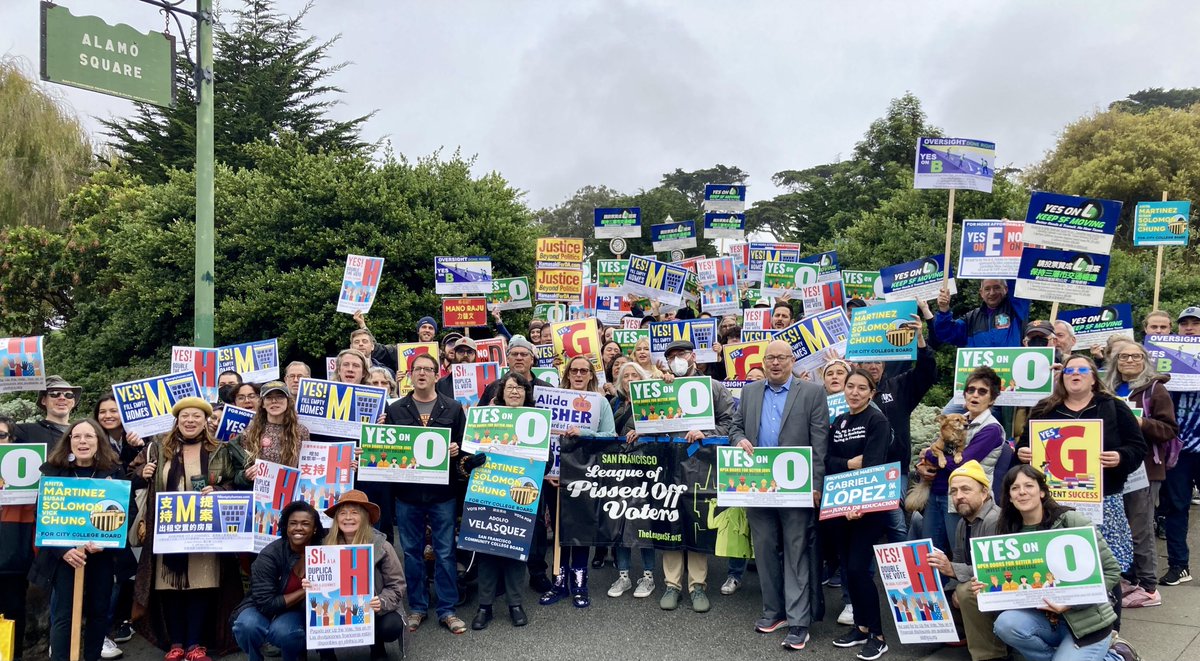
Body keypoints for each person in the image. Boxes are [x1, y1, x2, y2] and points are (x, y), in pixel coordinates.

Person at [131, 397, 248, 661]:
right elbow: (131, 474)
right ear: (177, 420)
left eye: (196, 416)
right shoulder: (158, 448)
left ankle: (195, 645)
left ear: (205, 420)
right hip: (167, 529)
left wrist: (219, 489)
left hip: (204, 529)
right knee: (168, 587)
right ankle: (176, 643)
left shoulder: (220, 449)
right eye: (185, 416)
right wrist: (143, 473)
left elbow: (235, 480)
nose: (190, 421)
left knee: (202, 585)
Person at [730, 339, 828, 652]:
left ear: (791, 361)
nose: (775, 363)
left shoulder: (812, 392)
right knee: (764, 551)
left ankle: (799, 621)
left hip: (795, 488)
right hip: (757, 486)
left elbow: (819, 443)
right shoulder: (750, 391)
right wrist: (739, 439)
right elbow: (734, 426)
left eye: (781, 358)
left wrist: (816, 485)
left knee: (796, 550)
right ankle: (774, 612)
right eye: (770, 358)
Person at [1016, 355, 1147, 586]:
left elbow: (1137, 447)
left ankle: (1109, 619)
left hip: (1103, 500)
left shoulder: (1114, 407)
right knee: (1059, 564)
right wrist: (1023, 453)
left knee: (1105, 567)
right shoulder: (1044, 410)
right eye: (1069, 370)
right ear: (1062, 378)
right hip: (1055, 502)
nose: (1075, 374)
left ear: (1094, 379)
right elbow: (1023, 446)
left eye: (1082, 370)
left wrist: (1120, 456)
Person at [985, 465, 1137, 661]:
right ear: (1009, 497)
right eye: (1014, 488)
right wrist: (987, 586)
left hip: (1086, 622)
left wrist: (1071, 603)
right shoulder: (1009, 531)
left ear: (1041, 492)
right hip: (1046, 621)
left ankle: (1118, 657)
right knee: (1005, 624)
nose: (1022, 492)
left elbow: (1111, 570)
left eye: (1029, 486)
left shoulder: (1071, 520)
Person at [628, 340, 734, 614]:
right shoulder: (661, 387)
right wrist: (643, 429)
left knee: (696, 521)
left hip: (701, 466)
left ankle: (697, 585)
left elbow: (731, 423)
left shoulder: (713, 387)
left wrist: (705, 433)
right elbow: (651, 421)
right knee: (669, 521)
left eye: (682, 354)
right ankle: (672, 584)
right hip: (668, 465)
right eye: (672, 355)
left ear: (693, 356)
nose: (677, 359)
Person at [28, 419, 125, 661]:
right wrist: (63, 551)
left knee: (98, 613)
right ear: (69, 442)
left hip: (100, 555)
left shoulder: (112, 471)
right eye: (77, 437)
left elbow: (127, 511)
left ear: (98, 441)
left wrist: (104, 541)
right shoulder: (53, 470)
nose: (83, 441)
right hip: (65, 558)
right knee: (63, 615)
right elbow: (42, 514)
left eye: (89, 436)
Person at [384, 353, 467, 634]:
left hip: (443, 495)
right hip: (407, 496)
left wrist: (457, 450)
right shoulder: (395, 410)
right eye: (416, 369)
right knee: (412, 553)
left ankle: (447, 609)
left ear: (436, 374)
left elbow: (465, 447)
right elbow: (388, 451)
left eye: (427, 369)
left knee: (445, 553)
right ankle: (418, 607)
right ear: (410, 375)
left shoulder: (454, 408)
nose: (422, 373)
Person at [825, 369, 891, 660]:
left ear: (871, 393)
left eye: (861, 388)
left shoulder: (877, 420)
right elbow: (828, 460)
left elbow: (875, 463)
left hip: (866, 506)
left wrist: (860, 504)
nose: (854, 392)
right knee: (847, 567)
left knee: (858, 570)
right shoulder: (839, 421)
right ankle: (861, 628)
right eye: (850, 387)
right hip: (840, 506)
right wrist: (848, 463)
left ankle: (878, 635)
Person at [1106, 340, 1177, 608]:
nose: (1130, 361)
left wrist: (1141, 423)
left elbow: (1170, 429)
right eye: (1124, 356)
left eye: (1136, 356)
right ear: (1115, 361)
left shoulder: (1155, 390)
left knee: (1141, 529)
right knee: (1120, 527)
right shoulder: (1108, 389)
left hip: (1145, 469)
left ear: (1145, 360)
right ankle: (1129, 579)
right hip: (1116, 468)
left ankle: (1148, 587)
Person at [542, 355, 617, 608]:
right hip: (555, 477)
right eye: (574, 370)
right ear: (567, 374)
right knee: (560, 531)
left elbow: (610, 435)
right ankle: (560, 582)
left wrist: (585, 432)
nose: (578, 375)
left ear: (591, 375)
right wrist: (548, 473)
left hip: (586, 475)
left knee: (582, 529)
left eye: (584, 371)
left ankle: (580, 582)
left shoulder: (601, 402)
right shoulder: (553, 400)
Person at [859, 305, 936, 543]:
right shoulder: (848, 394)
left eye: (879, 362)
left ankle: (903, 566)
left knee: (894, 518)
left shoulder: (897, 388)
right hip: (858, 471)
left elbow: (926, 373)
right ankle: (866, 572)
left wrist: (920, 339)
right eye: (868, 362)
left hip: (894, 469)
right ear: (857, 365)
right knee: (865, 524)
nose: (874, 366)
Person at [466, 372, 538, 630]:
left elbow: (548, 459)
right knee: (486, 550)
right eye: (510, 387)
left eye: (520, 387)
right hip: (488, 491)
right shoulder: (485, 418)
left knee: (516, 552)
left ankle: (515, 604)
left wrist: (541, 461)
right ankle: (484, 606)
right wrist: (471, 462)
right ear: (501, 392)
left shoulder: (537, 420)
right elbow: (466, 459)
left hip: (522, 494)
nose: (515, 391)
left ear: (526, 393)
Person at [918, 367, 1006, 557]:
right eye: (971, 390)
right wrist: (924, 463)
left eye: (982, 391)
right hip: (938, 492)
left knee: (961, 558)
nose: (975, 395)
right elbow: (936, 447)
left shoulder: (991, 429)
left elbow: (961, 465)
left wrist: (930, 455)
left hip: (963, 500)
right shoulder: (957, 420)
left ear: (992, 399)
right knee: (930, 556)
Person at [926, 461, 1005, 661]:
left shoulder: (995, 520)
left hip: (1001, 589)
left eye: (966, 489)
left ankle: (990, 655)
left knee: (966, 592)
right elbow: (960, 558)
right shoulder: (963, 522)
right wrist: (954, 584)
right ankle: (966, 636)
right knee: (939, 599)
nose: (958, 496)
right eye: (954, 491)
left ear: (985, 492)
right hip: (976, 585)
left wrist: (952, 570)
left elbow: (993, 572)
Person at [317, 491, 408, 659]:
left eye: (354, 512)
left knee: (391, 625)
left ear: (365, 517)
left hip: (371, 609)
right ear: (336, 519)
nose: (348, 518)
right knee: (311, 608)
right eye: (342, 513)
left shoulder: (382, 546)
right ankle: (327, 654)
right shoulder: (324, 547)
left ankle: (377, 648)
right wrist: (311, 584)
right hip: (336, 608)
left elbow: (397, 585)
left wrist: (381, 601)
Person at [231, 501, 326, 661]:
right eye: (293, 523)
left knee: (286, 633)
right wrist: (305, 590)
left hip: (295, 610)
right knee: (245, 626)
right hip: (261, 606)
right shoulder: (269, 555)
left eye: (305, 524)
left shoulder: (324, 552)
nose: (298, 528)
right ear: (286, 527)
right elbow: (266, 604)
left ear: (315, 528)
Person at [94, 395, 146, 651]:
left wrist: (137, 447)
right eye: (103, 411)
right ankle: (102, 630)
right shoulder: (92, 439)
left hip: (130, 511)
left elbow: (136, 474)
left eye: (114, 410)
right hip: (102, 513)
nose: (108, 415)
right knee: (113, 571)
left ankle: (126, 620)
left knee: (129, 569)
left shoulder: (137, 437)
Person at [606, 361, 657, 600]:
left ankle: (648, 576)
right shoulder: (615, 403)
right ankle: (623, 575)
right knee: (619, 522)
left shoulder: (652, 401)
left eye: (634, 374)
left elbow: (667, 428)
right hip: (617, 469)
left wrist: (645, 433)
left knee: (644, 523)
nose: (629, 379)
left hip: (644, 470)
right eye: (625, 375)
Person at [1162, 305, 1200, 586]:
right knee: (1176, 507)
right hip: (1179, 450)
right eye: (1184, 323)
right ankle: (1179, 565)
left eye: (1195, 323)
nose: (1189, 327)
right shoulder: (1167, 358)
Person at [0, 414, 38, 661]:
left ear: (11, 440)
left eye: (1, 436)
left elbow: (34, 515)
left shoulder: (26, 469)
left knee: (12, 617)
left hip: (11, 562)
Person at [234, 381, 310, 483]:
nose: (274, 401)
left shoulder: (301, 431)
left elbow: (307, 465)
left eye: (279, 397)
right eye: (269, 398)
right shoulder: (249, 432)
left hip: (290, 490)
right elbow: (237, 475)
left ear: (288, 401)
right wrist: (246, 476)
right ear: (263, 404)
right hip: (260, 492)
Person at [934, 280, 1030, 348]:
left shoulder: (1016, 309)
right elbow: (946, 334)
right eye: (987, 289)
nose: (992, 293)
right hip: (981, 375)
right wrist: (944, 308)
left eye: (996, 287)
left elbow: (1018, 282)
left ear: (1005, 289)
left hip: (1010, 374)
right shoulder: (971, 318)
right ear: (981, 293)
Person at [14, 375, 80, 451]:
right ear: (44, 400)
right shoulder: (27, 431)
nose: (62, 398)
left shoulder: (83, 432)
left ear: (73, 402)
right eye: (54, 394)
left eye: (68, 395)